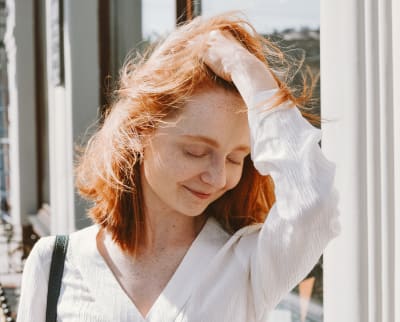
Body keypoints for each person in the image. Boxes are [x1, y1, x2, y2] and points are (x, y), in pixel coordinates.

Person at [16, 12, 340, 322]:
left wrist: (245, 68)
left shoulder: (248, 262)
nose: (217, 177)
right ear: (140, 133)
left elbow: (314, 202)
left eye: (235, 158)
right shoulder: (54, 262)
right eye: (195, 152)